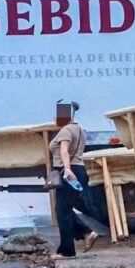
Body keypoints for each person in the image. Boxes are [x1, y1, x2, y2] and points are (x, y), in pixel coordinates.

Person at [49, 101, 98, 259]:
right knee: (65, 209)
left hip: (69, 172)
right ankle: (86, 232)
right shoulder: (80, 129)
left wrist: (67, 169)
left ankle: (67, 251)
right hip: (79, 169)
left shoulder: (66, 130)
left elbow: (64, 151)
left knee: (62, 212)